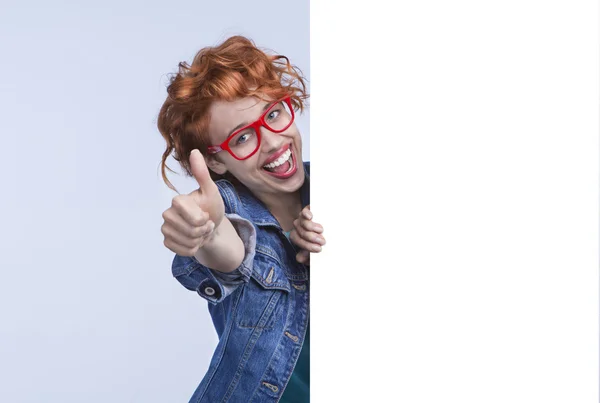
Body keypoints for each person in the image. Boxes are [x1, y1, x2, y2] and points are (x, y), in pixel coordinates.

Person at [157, 36, 325, 403]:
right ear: (215, 161)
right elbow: (229, 253)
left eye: (275, 114)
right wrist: (205, 231)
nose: (272, 142)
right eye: (244, 136)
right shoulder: (232, 215)